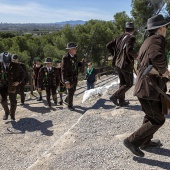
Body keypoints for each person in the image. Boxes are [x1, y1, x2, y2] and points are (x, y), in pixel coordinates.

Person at [123, 14, 170, 157]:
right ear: (161, 28)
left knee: (151, 116)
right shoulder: (157, 39)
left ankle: (145, 142)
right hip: (148, 90)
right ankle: (131, 141)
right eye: (166, 27)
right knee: (158, 119)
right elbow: (156, 58)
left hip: (147, 89)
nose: (167, 29)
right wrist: (165, 72)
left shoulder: (148, 40)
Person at [106, 22, 136, 107]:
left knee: (122, 83)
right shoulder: (131, 37)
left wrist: (115, 55)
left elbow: (108, 46)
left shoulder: (118, 37)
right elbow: (129, 50)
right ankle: (114, 96)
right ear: (133, 30)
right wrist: (137, 56)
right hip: (125, 64)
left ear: (125, 30)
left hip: (117, 63)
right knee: (129, 83)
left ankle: (122, 101)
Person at [0, 52, 25, 121]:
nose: (7, 63)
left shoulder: (16, 65)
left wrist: (18, 82)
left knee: (13, 102)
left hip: (12, 85)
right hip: (2, 86)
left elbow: (23, 73)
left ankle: (12, 116)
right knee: (2, 101)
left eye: (8, 62)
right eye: (5, 62)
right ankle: (7, 112)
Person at [61, 42, 84, 111]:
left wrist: (82, 62)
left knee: (73, 90)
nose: (76, 50)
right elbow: (63, 70)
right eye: (74, 48)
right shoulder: (65, 58)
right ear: (70, 50)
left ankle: (66, 99)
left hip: (74, 78)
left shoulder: (75, 56)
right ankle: (70, 105)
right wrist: (66, 81)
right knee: (70, 92)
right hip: (68, 78)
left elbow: (76, 65)